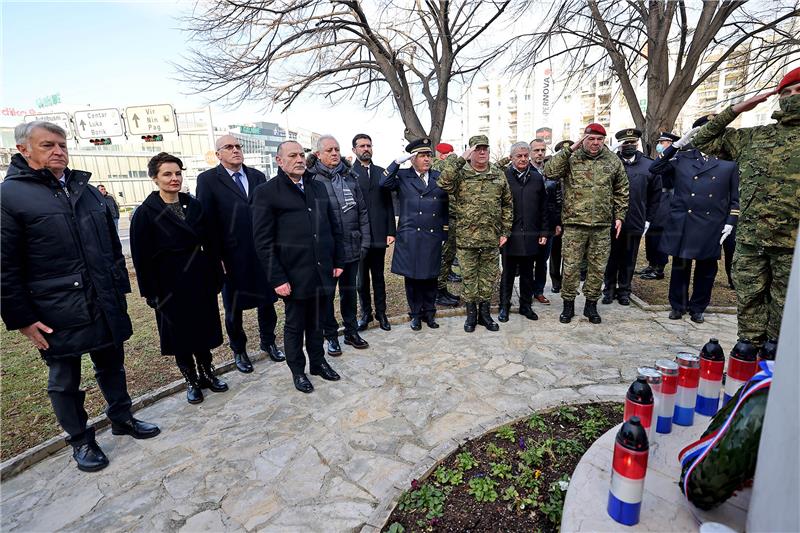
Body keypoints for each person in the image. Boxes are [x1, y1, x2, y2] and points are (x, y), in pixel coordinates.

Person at [1, 121, 159, 473]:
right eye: (47, 145)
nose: (58, 150)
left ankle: (122, 417)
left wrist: (119, 289)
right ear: (24, 150)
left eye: (62, 144)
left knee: (112, 366)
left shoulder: (84, 189)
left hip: (102, 300)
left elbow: (111, 248)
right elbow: (5, 266)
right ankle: (81, 440)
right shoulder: (9, 196)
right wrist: (22, 319)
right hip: (54, 310)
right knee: (64, 381)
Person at [691, 66, 800, 345]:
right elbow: (702, 139)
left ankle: (774, 370)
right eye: (786, 92)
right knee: (749, 313)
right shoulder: (754, 137)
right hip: (752, 242)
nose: (792, 97)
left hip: (793, 248)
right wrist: (736, 109)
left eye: (798, 90)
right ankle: (748, 364)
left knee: (785, 321)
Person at [130, 153, 228, 404]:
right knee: (180, 335)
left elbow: (211, 242)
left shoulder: (194, 205)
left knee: (203, 329)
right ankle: (191, 380)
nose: (174, 179)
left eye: (177, 173)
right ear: (154, 178)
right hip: (168, 284)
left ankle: (208, 372)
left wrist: (217, 273)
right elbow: (141, 257)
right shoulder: (145, 213)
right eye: (167, 174)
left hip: (198, 278)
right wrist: (150, 291)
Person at [251, 141, 344, 393]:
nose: (299, 159)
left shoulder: (317, 187)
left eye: (301, 154)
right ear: (279, 161)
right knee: (296, 325)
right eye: (292, 155)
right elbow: (263, 241)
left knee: (318, 320)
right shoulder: (267, 192)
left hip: (322, 269)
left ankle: (318, 362)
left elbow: (333, 226)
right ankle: (297, 371)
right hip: (292, 274)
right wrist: (277, 278)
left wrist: (338, 260)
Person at [196, 135, 285, 373]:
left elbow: (269, 213)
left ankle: (269, 341)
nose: (236, 150)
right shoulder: (207, 180)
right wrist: (217, 258)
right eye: (229, 147)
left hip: (262, 251)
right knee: (233, 307)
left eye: (238, 146)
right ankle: (240, 350)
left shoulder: (257, 176)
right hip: (231, 256)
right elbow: (207, 222)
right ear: (218, 154)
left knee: (267, 302)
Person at [649, 116, 739, 323]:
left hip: (711, 223)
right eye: (700, 132)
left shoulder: (728, 163)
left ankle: (698, 307)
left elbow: (735, 199)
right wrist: (677, 146)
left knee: (707, 269)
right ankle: (677, 306)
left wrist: (730, 223)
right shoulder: (683, 158)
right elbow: (655, 169)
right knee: (680, 266)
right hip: (684, 222)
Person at [544, 123, 629, 324]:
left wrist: (619, 216)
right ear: (584, 139)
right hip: (574, 224)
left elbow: (622, 190)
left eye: (599, 139)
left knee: (597, 268)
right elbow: (550, 171)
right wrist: (571, 148)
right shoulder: (572, 158)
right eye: (591, 139)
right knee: (571, 267)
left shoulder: (612, 160)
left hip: (601, 224)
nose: (595, 143)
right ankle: (568, 306)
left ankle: (591, 306)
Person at [438, 135, 513, 332]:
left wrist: (505, 231)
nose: (481, 152)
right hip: (466, 238)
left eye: (484, 149)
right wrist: (461, 158)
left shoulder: (497, 173)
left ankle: (485, 315)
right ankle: (471, 315)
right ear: (470, 151)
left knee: (488, 278)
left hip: (491, 237)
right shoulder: (460, 173)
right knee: (469, 279)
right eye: (477, 149)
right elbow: (443, 182)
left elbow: (507, 204)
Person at [307, 135, 371, 355]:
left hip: (351, 245)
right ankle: (331, 336)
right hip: (326, 251)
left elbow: (362, 211)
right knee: (327, 295)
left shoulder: (350, 176)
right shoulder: (311, 180)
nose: (334, 153)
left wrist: (365, 240)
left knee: (348, 292)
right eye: (329, 150)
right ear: (318, 155)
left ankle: (351, 332)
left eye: (336, 149)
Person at [381, 138, 450, 330]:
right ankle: (415, 315)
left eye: (429, 155)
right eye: (422, 155)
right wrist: (397, 162)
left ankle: (430, 313)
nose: (427, 159)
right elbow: (383, 182)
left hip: (433, 234)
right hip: (410, 235)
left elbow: (445, 206)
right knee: (412, 278)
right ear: (412, 159)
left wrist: (444, 233)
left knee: (431, 277)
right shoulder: (403, 176)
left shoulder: (438, 176)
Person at [602, 129, 661, 306]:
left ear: (637, 144)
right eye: (625, 143)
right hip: (612, 219)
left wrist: (648, 219)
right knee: (611, 257)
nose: (629, 146)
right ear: (620, 145)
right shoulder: (611, 163)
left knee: (629, 258)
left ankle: (625, 291)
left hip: (636, 218)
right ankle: (609, 290)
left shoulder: (648, 165)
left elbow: (655, 196)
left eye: (632, 143)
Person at [497, 142, 547, 322]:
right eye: (519, 156)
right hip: (510, 235)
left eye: (526, 155)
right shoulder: (503, 177)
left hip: (532, 235)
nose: (523, 159)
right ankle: (504, 306)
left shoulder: (536, 178)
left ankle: (526, 306)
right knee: (508, 274)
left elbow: (543, 207)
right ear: (511, 158)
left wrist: (543, 232)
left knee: (528, 273)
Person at [351, 133, 396, 332]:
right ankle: (365, 314)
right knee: (362, 280)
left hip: (379, 234)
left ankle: (381, 314)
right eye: (361, 146)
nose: (366, 149)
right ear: (354, 150)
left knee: (378, 277)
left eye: (368, 145)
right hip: (359, 237)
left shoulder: (381, 172)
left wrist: (390, 230)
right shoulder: (348, 174)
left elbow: (389, 204)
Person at [640, 132, 679, 280]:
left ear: (671, 144)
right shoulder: (661, 159)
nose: (660, 145)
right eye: (660, 142)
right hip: (655, 198)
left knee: (659, 234)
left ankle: (659, 268)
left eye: (663, 142)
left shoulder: (674, 160)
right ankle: (652, 264)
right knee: (651, 234)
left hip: (666, 198)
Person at [530, 138, 560, 304]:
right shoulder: (524, 170)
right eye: (536, 150)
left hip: (547, 223)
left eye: (542, 150)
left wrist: (557, 223)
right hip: (528, 224)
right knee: (527, 261)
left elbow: (557, 199)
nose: (540, 153)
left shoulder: (552, 172)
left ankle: (538, 291)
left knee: (542, 261)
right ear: (530, 152)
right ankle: (526, 291)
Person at [432, 142, 461, 306]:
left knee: (449, 255)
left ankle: (441, 290)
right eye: (450, 154)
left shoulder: (444, 163)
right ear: (443, 155)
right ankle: (438, 291)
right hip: (445, 219)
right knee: (444, 256)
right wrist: (455, 157)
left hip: (453, 217)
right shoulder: (438, 164)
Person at [547, 141, 571, 293]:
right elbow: (553, 199)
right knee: (555, 252)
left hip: (575, 218)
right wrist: (556, 220)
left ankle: (569, 283)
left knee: (572, 254)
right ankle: (556, 280)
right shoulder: (555, 172)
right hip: (558, 217)